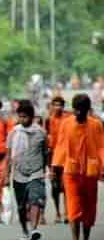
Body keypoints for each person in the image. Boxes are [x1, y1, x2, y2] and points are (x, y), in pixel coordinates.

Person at [52, 94, 104, 240]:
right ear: (73, 109)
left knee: (89, 210)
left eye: (82, 110)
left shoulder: (96, 125)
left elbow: (102, 148)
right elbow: (60, 146)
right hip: (71, 172)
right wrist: (56, 168)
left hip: (90, 172)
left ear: (87, 110)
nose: (79, 113)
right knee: (74, 208)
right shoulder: (66, 124)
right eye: (76, 110)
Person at [5, 100, 48, 240]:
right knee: (21, 206)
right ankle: (25, 230)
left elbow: (45, 153)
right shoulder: (14, 133)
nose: (23, 119)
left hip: (36, 172)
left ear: (32, 117)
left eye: (26, 116)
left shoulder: (41, 132)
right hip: (18, 174)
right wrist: (6, 175)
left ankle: (34, 229)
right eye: (21, 116)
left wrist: (46, 169)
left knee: (35, 200)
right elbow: (8, 155)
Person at [45, 96, 70, 224]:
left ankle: (67, 213)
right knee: (55, 187)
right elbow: (47, 140)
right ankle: (57, 213)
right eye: (55, 105)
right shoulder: (49, 120)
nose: (57, 107)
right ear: (52, 106)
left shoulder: (68, 119)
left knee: (66, 186)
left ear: (63, 106)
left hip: (66, 156)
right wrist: (48, 163)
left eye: (60, 105)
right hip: (54, 157)